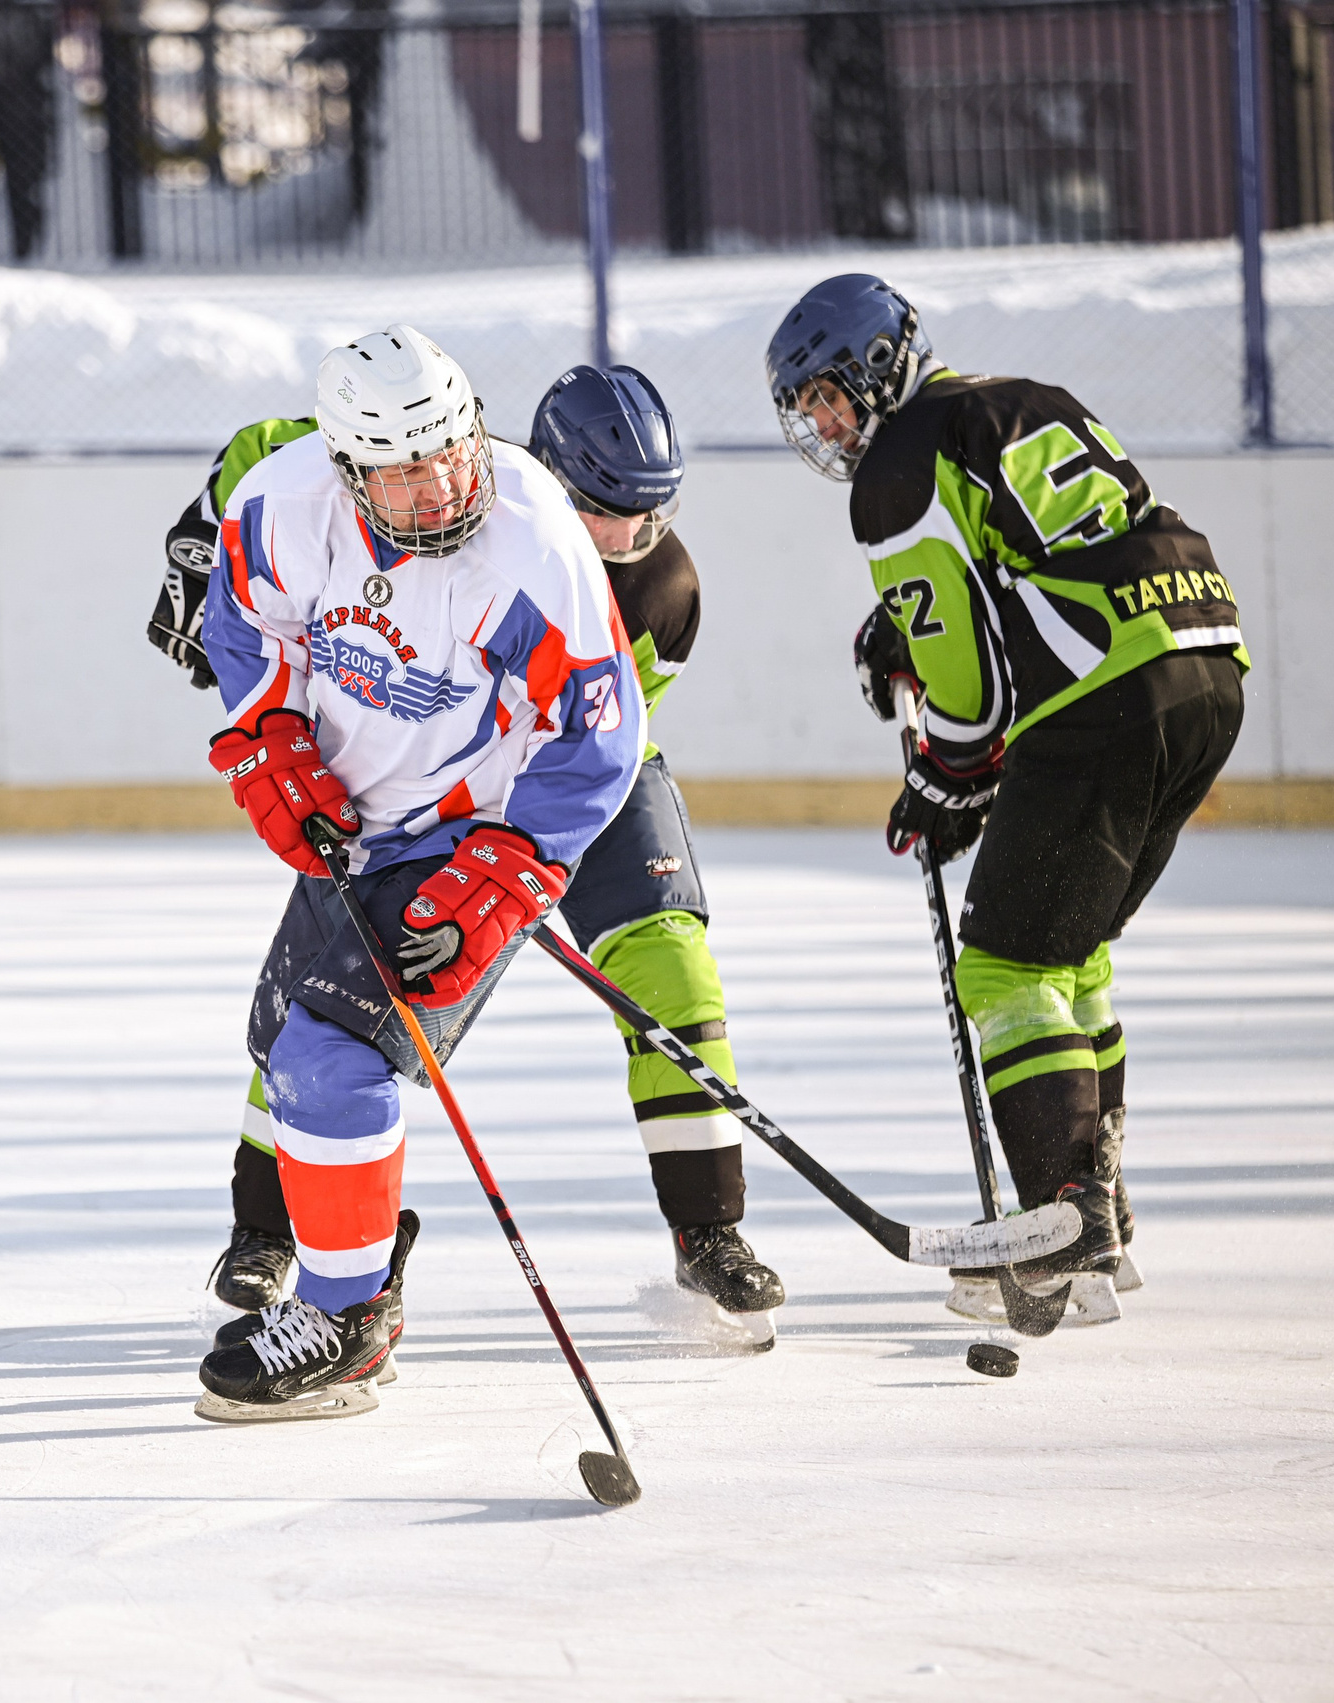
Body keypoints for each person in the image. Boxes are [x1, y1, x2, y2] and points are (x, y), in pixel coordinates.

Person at [150, 366, 790, 1349]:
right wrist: (199, 539)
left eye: (648, 514)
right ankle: (266, 1222)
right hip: (431, 774)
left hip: (574, 773)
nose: (625, 538)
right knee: (329, 990)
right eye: (603, 510)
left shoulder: (661, 588)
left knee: (668, 957)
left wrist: (514, 865)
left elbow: (595, 746)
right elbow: (269, 447)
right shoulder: (438, 487)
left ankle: (709, 1224)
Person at [181, 326, 646, 1421]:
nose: (437, 485)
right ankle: (352, 1293)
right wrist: (271, 742)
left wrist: (513, 868)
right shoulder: (280, 504)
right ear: (347, 469)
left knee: (331, 1055)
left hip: (462, 825)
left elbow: (599, 738)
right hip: (350, 819)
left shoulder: (533, 540)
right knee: (287, 1056)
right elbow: (243, 628)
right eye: (399, 469)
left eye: (448, 450)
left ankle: (347, 1323)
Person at [765, 273, 1248, 1325]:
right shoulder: (1017, 395)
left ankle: (1060, 1222)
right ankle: (1098, 1211)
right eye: (807, 410)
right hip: (1204, 657)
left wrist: (946, 775)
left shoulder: (895, 464)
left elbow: (972, 697)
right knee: (1069, 948)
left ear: (881, 364)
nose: (826, 423)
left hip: (1106, 687)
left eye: (831, 395)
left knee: (1005, 960)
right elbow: (1022, 563)